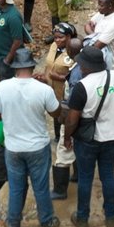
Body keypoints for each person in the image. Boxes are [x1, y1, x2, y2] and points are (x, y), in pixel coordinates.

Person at [0, 47, 62, 227]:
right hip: (38, 147)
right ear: (32, 66)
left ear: (14, 67)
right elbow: (56, 113)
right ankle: (46, 222)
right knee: (41, 187)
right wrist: (47, 87)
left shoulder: (2, 88)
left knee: (16, 187)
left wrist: (9, 111)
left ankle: (13, 225)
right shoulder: (43, 89)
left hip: (13, 148)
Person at [62, 46, 114, 227]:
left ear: (87, 66)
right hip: (112, 137)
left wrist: (67, 138)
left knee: (85, 178)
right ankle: (111, 216)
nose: (80, 67)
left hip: (88, 140)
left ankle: (82, 218)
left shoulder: (82, 87)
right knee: (108, 176)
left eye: (81, 64)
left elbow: (72, 120)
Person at [42, 21, 77, 199]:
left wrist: (59, 77)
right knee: (57, 123)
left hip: (66, 98)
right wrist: (44, 78)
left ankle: (74, 173)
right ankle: (58, 140)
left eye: (61, 37)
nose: (57, 40)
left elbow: (76, 76)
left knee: (68, 132)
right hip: (52, 93)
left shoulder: (75, 53)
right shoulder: (54, 47)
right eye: (55, 37)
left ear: (69, 37)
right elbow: (48, 66)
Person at [86, 0, 114, 68]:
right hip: (96, 48)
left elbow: (97, 46)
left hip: (105, 57)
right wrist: (95, 36)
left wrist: (92, 34)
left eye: (101, 5)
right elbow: (87, 25)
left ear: (110, 6)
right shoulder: (103, 13)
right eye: (98, 4)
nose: (98, 8)